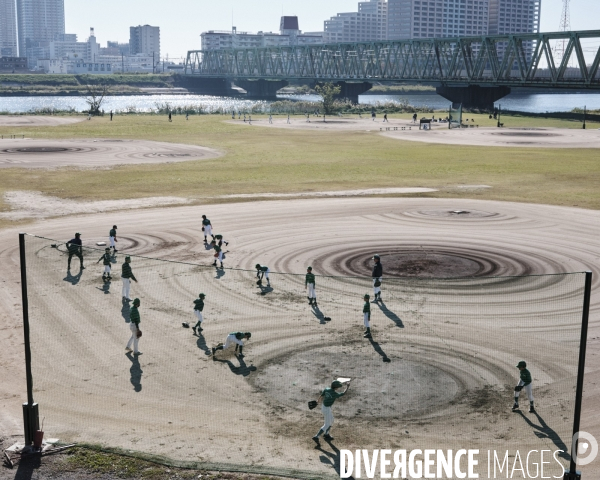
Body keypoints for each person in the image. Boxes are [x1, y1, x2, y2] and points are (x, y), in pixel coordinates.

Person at [312, 380, 350, 445]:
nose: (338, 388)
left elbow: (321, 396)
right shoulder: (334, 394)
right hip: (326, 409)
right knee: (326, 424)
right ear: (336, 387)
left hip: (325, 407)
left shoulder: (327, 389)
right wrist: (347, 386)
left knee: (332, 420)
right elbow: (343, 393)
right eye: (338, 387)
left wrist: (317, 402)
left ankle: (326, 434)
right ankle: (316, 436)